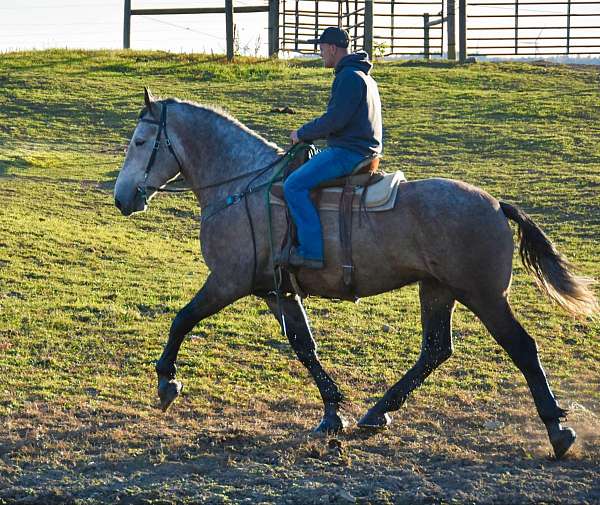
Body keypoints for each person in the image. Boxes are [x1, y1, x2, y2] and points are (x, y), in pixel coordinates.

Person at [284, 27, 383, 269]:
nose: (320, 54)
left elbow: (334, 120)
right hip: (361, 150)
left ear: (331, 48)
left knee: (293, 186)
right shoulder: (363, 76)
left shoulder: (348, 77)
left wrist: (302, 133)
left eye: (321, 48)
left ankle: (311, 253)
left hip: (348, 153)